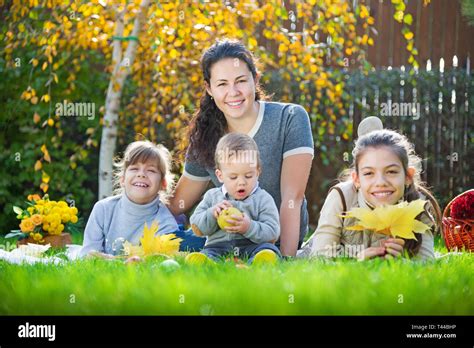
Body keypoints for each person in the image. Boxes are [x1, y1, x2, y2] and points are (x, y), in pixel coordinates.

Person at [169, 38, 314, 257]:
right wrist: (131, 200)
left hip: (269, 239)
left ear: (255, 80)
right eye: (222, 84)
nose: (233, 92)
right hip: (222, 241)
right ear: (209, 88)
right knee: (172, 242)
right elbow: (177, 203)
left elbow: (292, 197)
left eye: (240, 81)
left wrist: (285, 259)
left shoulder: (290, 118)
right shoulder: (206, 135)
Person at [298, 128, 442, 260]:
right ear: (357, 179)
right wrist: (358, 260)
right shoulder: (342, 197)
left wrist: (401, 261)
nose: (380, 182)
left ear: (408, 176)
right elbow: (320, 257)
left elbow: (427, 263)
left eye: (391, 171)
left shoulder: (417, 206)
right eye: (369, 173)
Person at [185, 133, 281, 264]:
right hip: (219, 247)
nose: (241, 182)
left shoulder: (263, 199)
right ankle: (208, 263)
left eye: (248, 176)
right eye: (233, 177)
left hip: (251, 247)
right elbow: (197, 227)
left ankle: (256, 263)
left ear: (257, 171)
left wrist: (249, 227)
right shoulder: (212, 197)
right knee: (209, 253)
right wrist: (212, 214)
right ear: (220, 175)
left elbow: (272, 233)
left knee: (269, 249)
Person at [80, 140, 178, 257]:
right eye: (134, 169)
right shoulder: (103, 210)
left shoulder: (166, 224)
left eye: (151, 170)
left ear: (163, 184)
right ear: (122, 179)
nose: (141, 174)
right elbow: (88, 255)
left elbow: (154, 263)